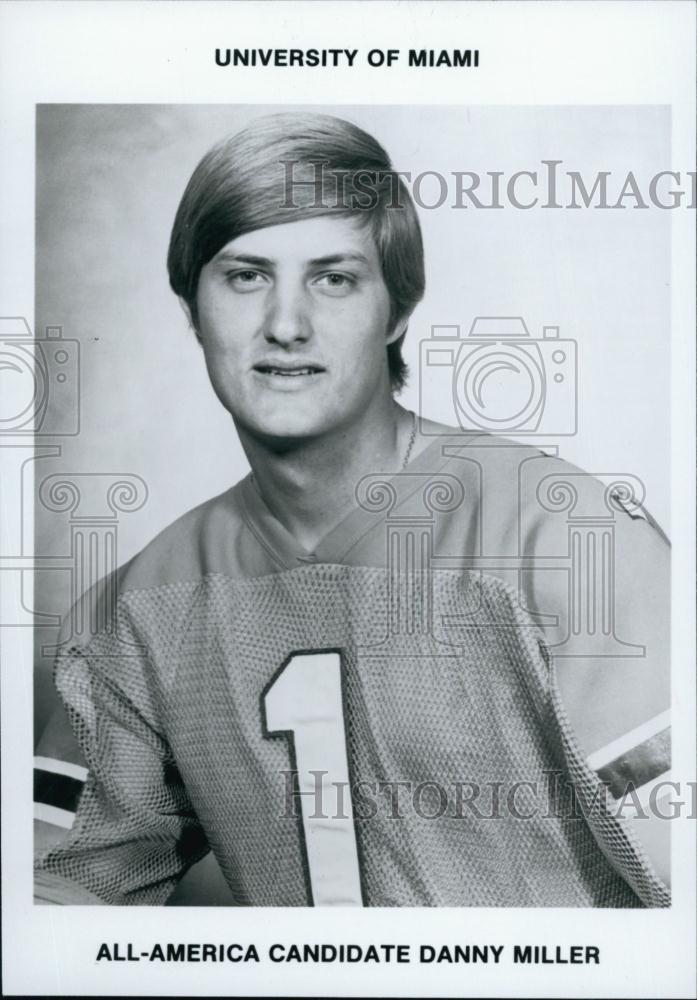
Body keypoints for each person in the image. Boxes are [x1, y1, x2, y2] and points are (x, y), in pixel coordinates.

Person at [34, 112, 670, 907]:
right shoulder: (131, 613)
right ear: (191, 307)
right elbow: (53, 910)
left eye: (333, 278)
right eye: (245, 276)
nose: (286, 325)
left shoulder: (564, 538)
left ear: (396, 308)